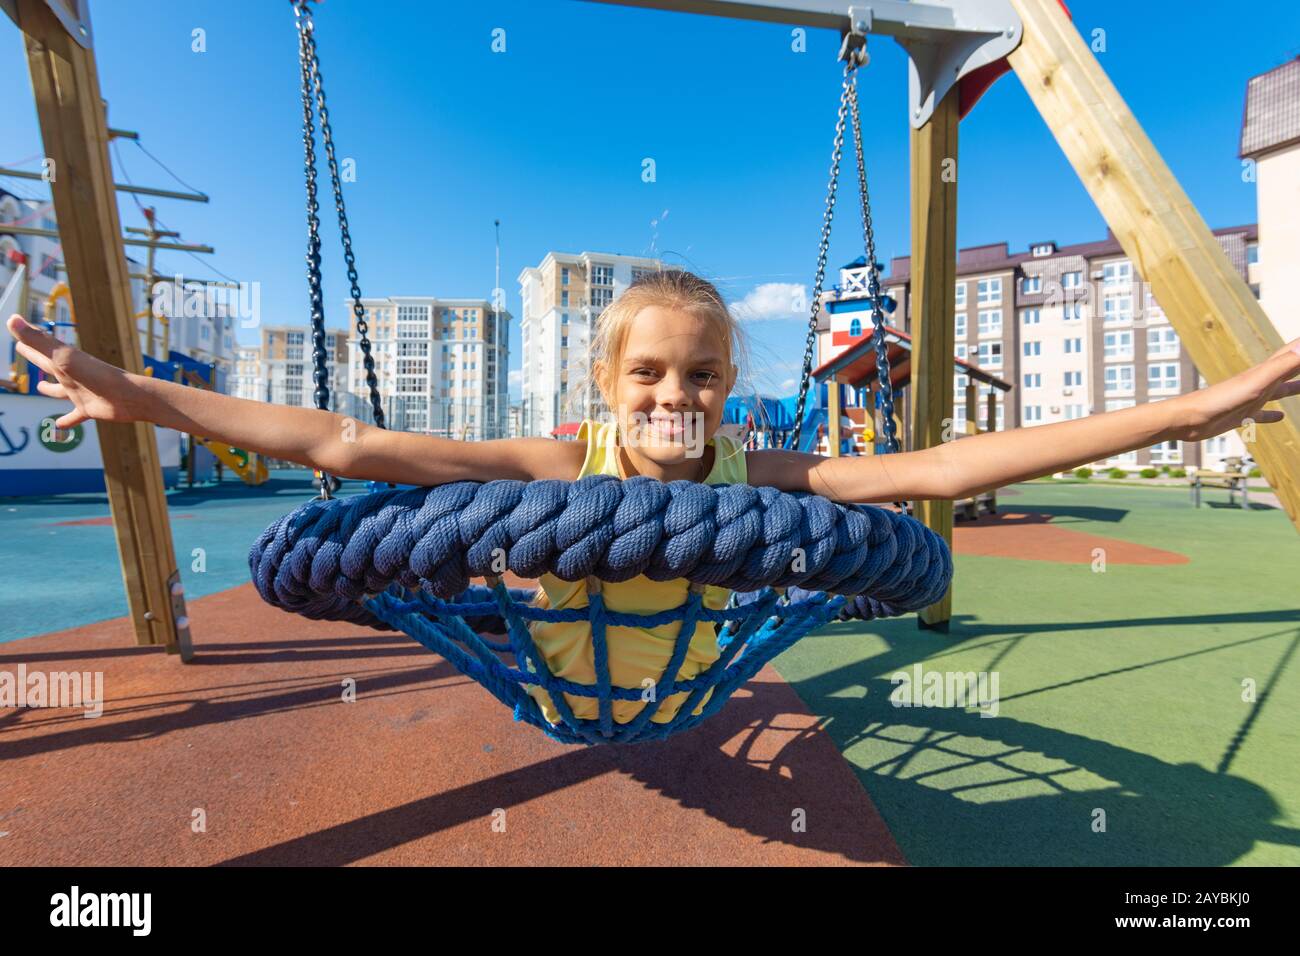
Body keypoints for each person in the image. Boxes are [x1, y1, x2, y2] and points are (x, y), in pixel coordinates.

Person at [8, 270, 1299, 726]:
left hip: (684, 677)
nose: (676, 397)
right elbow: (348, 441)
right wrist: (142, 394)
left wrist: (1194, 411)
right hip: (558, 675)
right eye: (649, 373)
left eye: (704, 375)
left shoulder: (757, 474)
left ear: (733, 384)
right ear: (607, 384)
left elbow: (942, 470)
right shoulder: (567, 463)